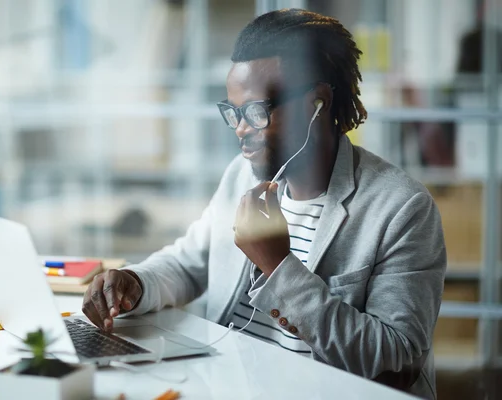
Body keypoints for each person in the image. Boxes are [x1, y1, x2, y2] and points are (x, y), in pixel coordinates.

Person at [82, 9, 445, 399]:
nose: (240, 128)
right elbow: (189, 264)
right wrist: (134, 283)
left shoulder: (402, 208)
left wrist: (278, 266)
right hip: (225, 381)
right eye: (233, 112)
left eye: (255, 112)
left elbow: (398, 360)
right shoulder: (242, 174)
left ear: (317, 103)